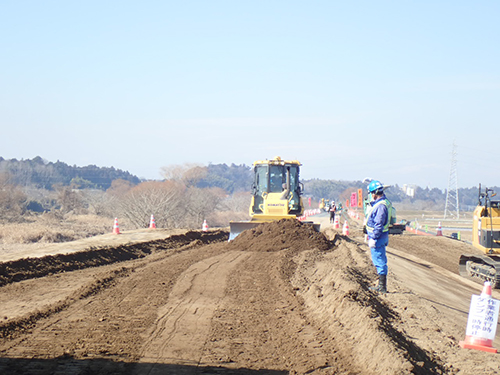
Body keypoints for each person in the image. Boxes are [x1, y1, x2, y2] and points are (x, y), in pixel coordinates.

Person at [365, 180, 392, 294]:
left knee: (379, 261)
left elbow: (378, 224)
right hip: (381, 236)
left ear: (374, 193)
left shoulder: (381, 206)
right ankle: (381, 284)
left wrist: (374, 238)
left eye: (371, 193)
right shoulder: (382, 203)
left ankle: (382, 286)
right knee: (379, 260)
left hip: (379, 237)